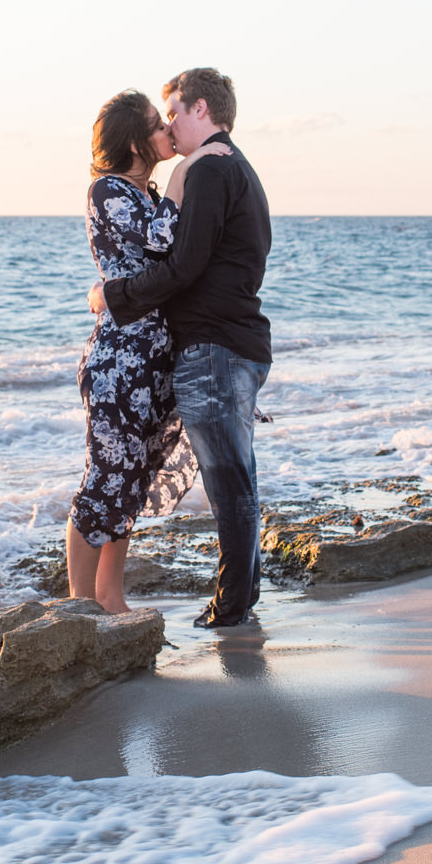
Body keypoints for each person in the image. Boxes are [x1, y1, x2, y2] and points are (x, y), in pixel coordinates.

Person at [90, 68, 272, 628]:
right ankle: (242, 595)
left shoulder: (211, 169)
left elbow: (183, 265)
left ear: (199, 109)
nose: (169, 123)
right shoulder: (233, 167)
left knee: (229, 482)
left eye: (173, 111)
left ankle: (232, 605)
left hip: (216, 348)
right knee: (237, 477)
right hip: (232, 342)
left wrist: (111, 295)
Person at [67, 89, 227, 612]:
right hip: (119, 362)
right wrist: (186, 171)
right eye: (158, 124)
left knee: (130, 485)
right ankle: (76, 606)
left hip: (153, 362)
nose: (167, 131)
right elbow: (162, 242)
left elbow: (179, 250)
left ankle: (110, 600)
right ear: (133, 140)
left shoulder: (150, 196)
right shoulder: (106, 191)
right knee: (105, 479)